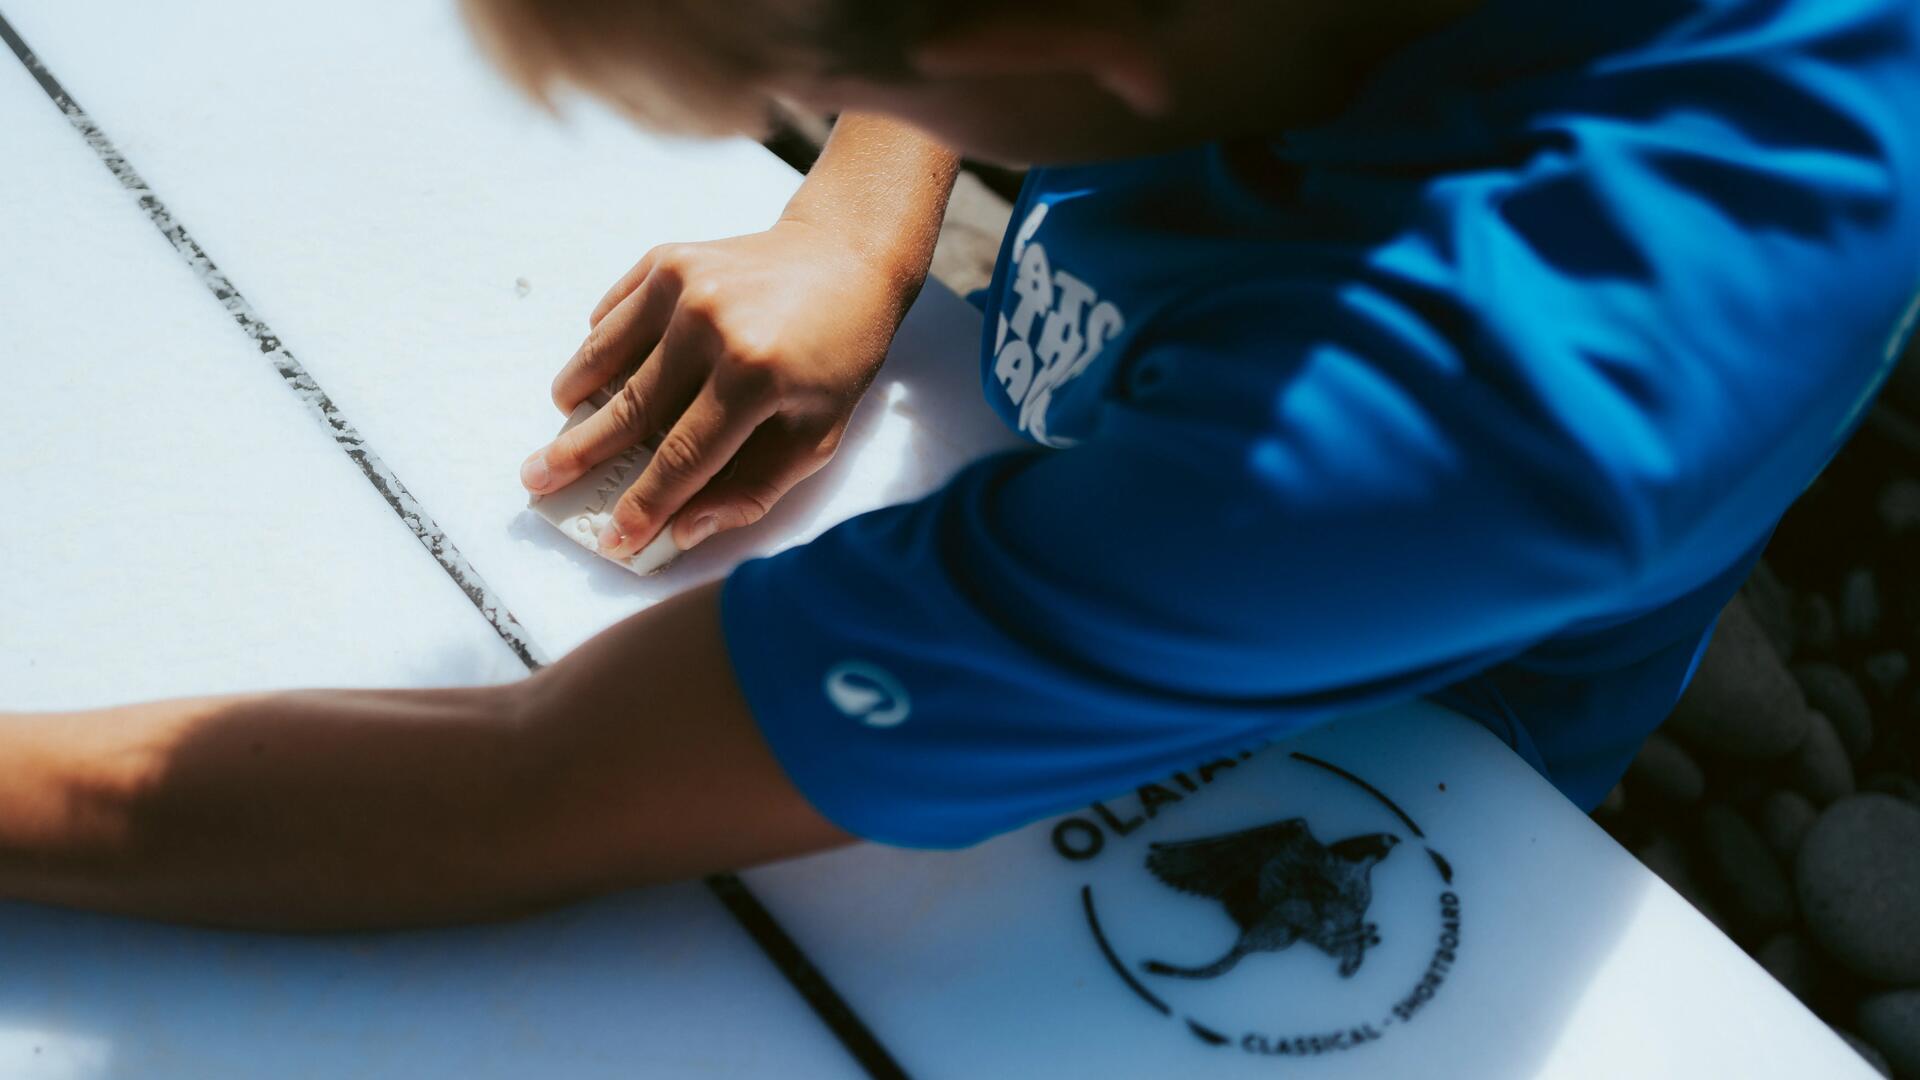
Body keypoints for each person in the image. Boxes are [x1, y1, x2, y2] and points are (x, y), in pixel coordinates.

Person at [4, 0, 1917, 930]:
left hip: (1392, 714)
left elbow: (529, 783)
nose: (814, 117)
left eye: (800, 73)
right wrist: (867, 204)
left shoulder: (1431, 424)